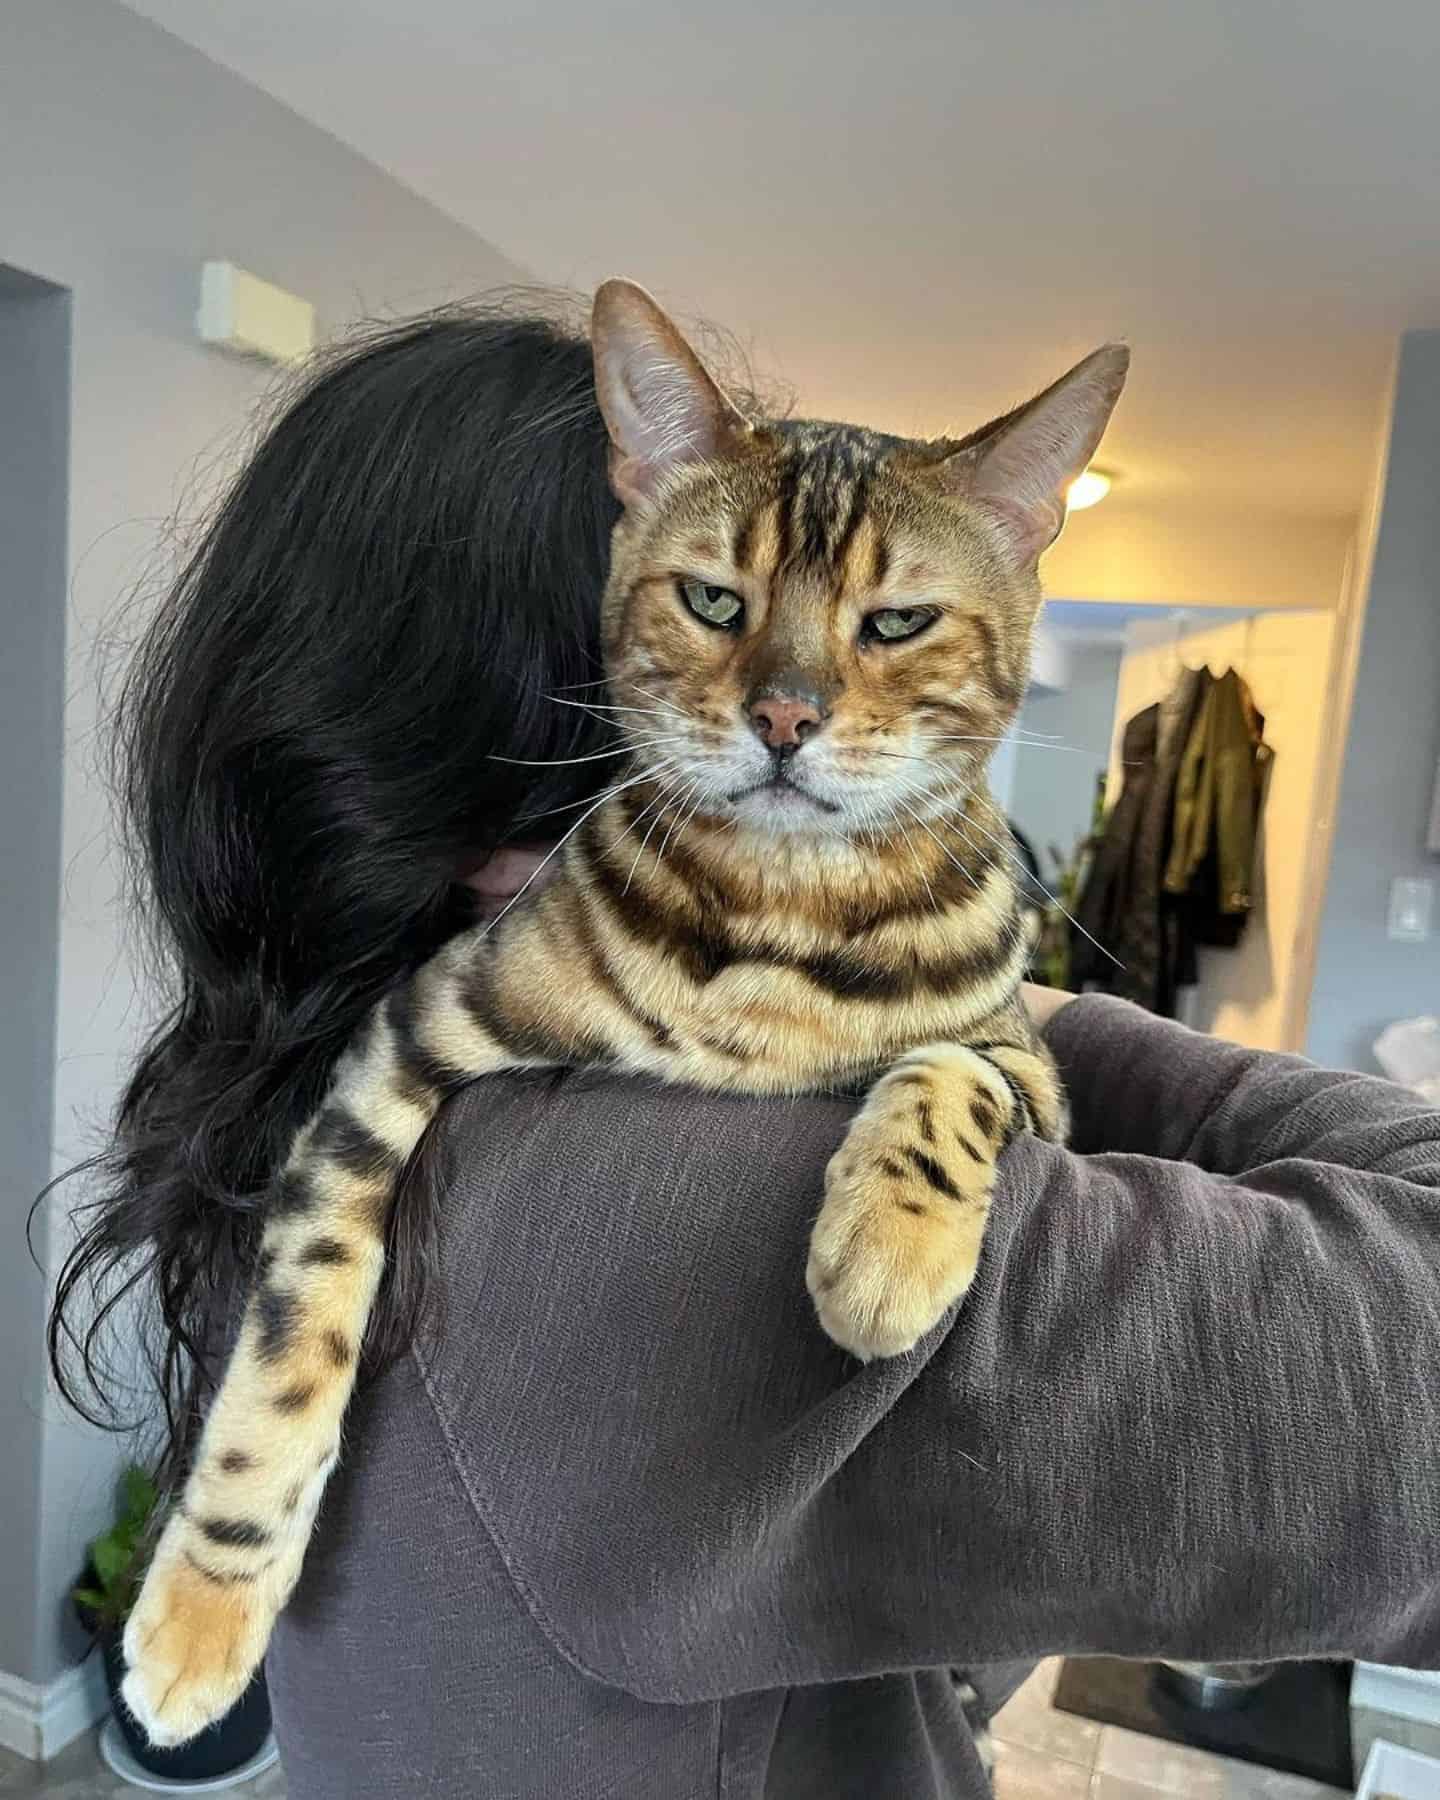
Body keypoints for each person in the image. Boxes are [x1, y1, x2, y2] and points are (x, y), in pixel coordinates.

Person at [50, 302, 1440, 1800]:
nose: (790, 705)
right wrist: (996, 1042)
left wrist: (956, 1025)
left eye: (888, 625)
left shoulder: (307, 1079)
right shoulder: (681, 1206)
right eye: (711, 605)